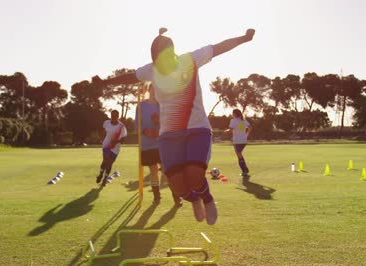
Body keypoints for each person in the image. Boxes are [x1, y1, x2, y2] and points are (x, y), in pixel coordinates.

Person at [93, 27, 256, 225]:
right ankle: (194, 199)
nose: (160, 66)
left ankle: (207, 199)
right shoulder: (152, 70)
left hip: (197, 129)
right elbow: (130, 76)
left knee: (195, 176)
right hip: (169, 134)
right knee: (178, 186)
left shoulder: (191, 60)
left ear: (171, 53)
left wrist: (244, 38)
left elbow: (220, 47)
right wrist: (105, 82)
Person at [135, 85, 182, 206]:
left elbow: (169, 123)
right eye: (153, 89)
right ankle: (156, 197)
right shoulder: (141, 106)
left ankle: (176, 197)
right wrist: (145, 131)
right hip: (146, 144)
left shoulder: (163, 105)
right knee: (154, 171)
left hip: (162, 143)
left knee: (166, 171)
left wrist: (159, 125)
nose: (155, 92)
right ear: (149, 90)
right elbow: (136, 125)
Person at [96, 110, 127, 186]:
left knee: (110, 163)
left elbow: (123, 139)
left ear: (118, 117)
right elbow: (103, 131)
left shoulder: (121, 126)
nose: (113, 117)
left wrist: (116, 142)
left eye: (115, 116)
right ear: (110, 116)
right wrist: (101, 139)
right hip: (106, 145)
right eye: (112, 116)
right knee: (105, 161)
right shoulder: (106, 123)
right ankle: (100, 174)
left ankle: (105, 179)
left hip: (116, 148)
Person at [225, 109, 253, 177]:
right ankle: (245, 169)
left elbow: (230, 129)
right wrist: (247, 135)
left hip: (237, 141)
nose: (232, 114)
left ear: (234, 113)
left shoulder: (233, 120)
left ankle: (245, 171)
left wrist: (226, 131)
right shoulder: (243, 120)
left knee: (239, 155)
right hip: (244, 141)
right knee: (239, 154)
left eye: (232, 113)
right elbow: (250, 127)